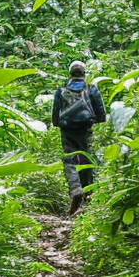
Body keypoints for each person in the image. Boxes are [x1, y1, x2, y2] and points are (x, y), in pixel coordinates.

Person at [52, 60, 106, 215]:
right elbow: (101, 114)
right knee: (86, 158)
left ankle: (75, 189)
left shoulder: (61, 90)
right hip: (85, 129)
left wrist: (60, 123)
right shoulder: (91, 89)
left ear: (70, 74)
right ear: (83, 73)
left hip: (67, 130)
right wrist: (94, 121)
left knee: (70, 160)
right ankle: (87, 195)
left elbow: (55, 115)